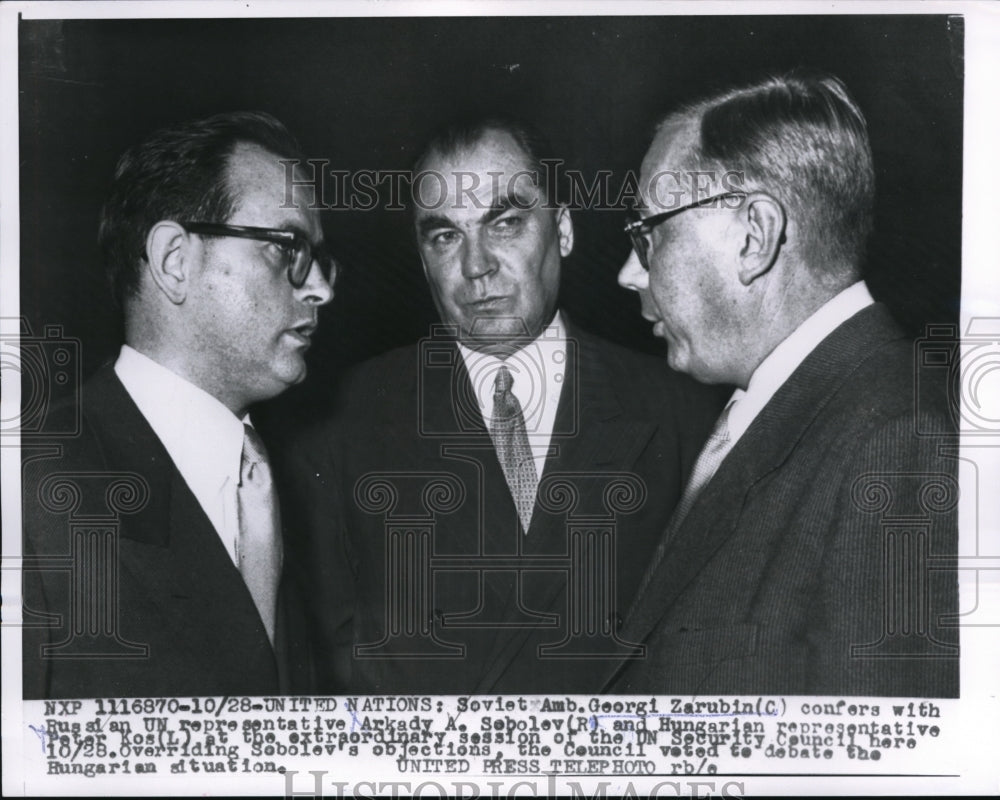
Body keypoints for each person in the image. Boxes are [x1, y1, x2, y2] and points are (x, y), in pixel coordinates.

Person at [282, 117, 724, 694]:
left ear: (562, 231)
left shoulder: (686, 416)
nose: (476, 266)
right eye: (445, 237)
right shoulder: (339, 424)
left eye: (506, 223)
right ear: (421, 260)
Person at [607, 72, 959, 696]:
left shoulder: (901, 444)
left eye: (649, 232)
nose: (630, 273)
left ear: (755, 236)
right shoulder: (794, 412)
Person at [22, 111, 335, 698]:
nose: (320, 286)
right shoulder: (31, 489)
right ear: (174, 262)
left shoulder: (276, 491)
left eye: (318, 257)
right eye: (288, 247)